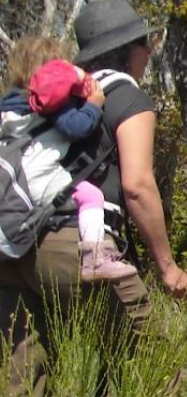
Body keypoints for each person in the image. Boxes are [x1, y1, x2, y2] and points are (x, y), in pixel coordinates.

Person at [0, 0, 187, 397]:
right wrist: (167, 265)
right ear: (135, 49)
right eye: (146, 44)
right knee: (150, 351)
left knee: (22, 373)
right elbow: (136, 187)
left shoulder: (49, 98)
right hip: (72, 240)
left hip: (11, 246)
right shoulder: (125, 96)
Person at [0, 45, 133, 281]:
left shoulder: (11, 104)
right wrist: (93, 105)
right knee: (91, 197)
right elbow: (76, 127)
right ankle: (94, 259)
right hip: (42, 177)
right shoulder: (50, 101)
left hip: (17, 178)